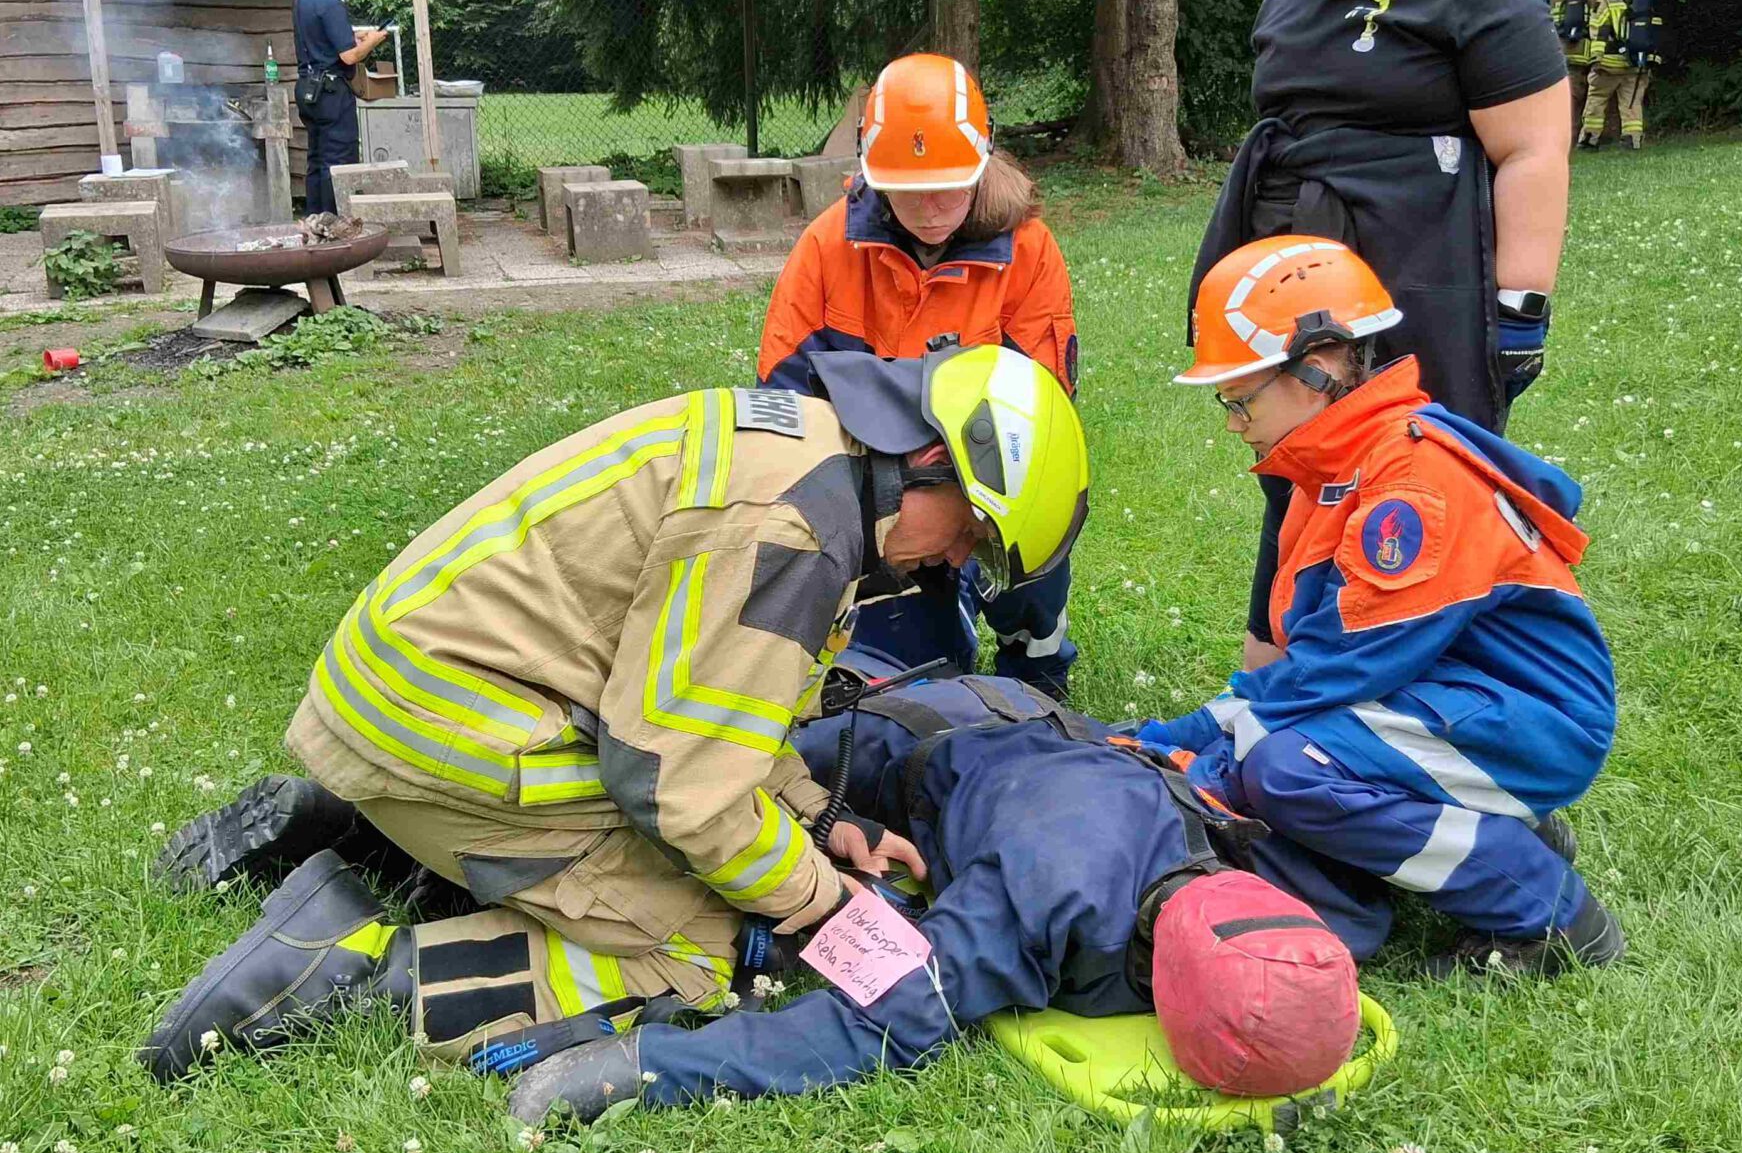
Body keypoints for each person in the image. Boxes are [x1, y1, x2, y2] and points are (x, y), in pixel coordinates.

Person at [137, 346, 1090, 1082]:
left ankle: (361, 828)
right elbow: (679, 787)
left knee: (708, 865)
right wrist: (822, 903)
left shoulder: (805, 446)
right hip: (456, 732)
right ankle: (340, 977)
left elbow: (726, 711)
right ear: (930, 461)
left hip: (410, 701)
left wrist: (820, 818)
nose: (952, 563)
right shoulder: (797, 529)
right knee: (697, 945)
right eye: (969, 534)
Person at [501, 665, 1368, 1122]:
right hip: (915, 736)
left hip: (1038, 729)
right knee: (698, 768)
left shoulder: (1277, 897)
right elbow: (870, 1022)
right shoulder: (1044, 900)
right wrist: (643, 1070)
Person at [1136, 236, 1625, 979]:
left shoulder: (1407, 482)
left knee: (1290, 771)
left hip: (1533, 718)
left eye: (1241, 395)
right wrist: (1189, 737)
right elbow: (1322, 657)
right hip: (1459, 700)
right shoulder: (1341, 465)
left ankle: (1550, 912)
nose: (1233, 420)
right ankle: (1499, 832)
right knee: (1263, 757)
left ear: (1320, 365)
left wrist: (1198, 739)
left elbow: (1343, 667)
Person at [1191, 0, 1570, 677]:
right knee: (1299, 474)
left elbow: (1532, 153)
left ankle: (1425, 690)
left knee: (1417, 480)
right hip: (1303, 286)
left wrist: (1521, 306)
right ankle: (1272, 681)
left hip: (1424, 276)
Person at [759, 53, 1081, 698]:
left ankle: (1036, 656)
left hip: (988, 470)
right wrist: (890, 502)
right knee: (918, 674)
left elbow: (1041, 406)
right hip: (872, 483)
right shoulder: (826, 246)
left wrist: (955, 497)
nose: (932, 208)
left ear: (984, 163)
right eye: (909, 189)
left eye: (951, 186)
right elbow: (784, 403)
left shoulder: (1029, 249)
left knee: (1035, 562)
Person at [291, 0, 390, 215]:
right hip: (332, 92)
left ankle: (315, 221)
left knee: (317, 159)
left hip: (308, 88)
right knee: (339, 162)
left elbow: (321, 40)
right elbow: (348, 57)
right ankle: (335, 225)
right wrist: (370, 42)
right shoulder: (331, 2)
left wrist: (352, 36)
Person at [1579, 0, 1662, 149]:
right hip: (1635, 62)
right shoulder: (1641, 0)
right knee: (1632, 103)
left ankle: (1589, 139)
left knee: (1597, 100)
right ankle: (1632, 140)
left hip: (1608, 63)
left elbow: (1599, 28)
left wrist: (1596, 59)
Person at [1550, 0, 1598, 129]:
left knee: (1569, 100)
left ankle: (1568, 135)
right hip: (1589, 54)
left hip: (1562, 54)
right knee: (1591, 98)